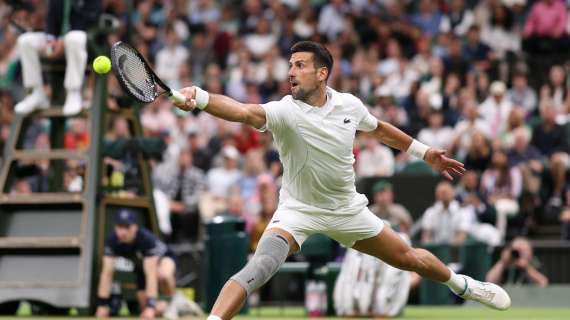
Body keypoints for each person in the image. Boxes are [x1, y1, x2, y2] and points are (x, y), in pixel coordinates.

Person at [173, 41, 511, 320]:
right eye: (290, 64)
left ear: (322, 74)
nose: (291, 71)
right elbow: (243, 111)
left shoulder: (349, 105)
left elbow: (379, 129)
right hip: (298, 210)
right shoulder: (284, 111)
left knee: (407, 258)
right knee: (262, 264)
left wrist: (425, 153)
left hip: (346, 208)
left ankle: (463, 285)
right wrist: (201, 98)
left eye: (301, 65)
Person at [14, 0, 102, 115]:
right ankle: (36, 92)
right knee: (25, 41)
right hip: (60, 42)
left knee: (74, 37)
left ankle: (73, 92)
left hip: (87, 43)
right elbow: (51, 19)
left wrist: (63, 41)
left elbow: (90, 20)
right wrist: (51, 40)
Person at [95, 209, 178, 319]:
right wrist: (102, 305)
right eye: (120, 226)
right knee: (146, 311)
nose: (123, 232)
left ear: (135, 227)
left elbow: (151, 274)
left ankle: (173, 302)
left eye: (127, 227)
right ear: (115, 227)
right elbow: (106, 273)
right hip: (141, 268)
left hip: (164, 260)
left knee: (163, 274)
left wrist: (151, 306)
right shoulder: (112, 241)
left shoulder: (146, 239)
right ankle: (166, 306)